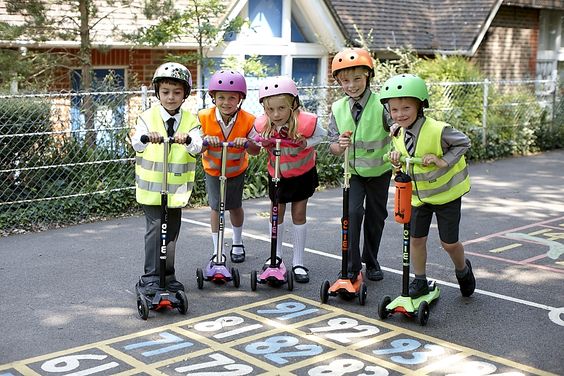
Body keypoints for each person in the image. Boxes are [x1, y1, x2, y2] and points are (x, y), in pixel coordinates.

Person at [381, 73, 475, 298]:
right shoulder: (396, 132)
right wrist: (396, 160)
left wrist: (442, 160)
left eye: (406, 108)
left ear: (420, 106)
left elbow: (464, 142)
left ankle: (463, 270)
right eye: (394, 109)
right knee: (416, 239)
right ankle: (420, 280)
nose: (399, 114)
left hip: (445, 196)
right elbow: (405, 162)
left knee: (449, 243)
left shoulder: (439, 130)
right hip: (418, 197)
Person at [130, 62, 203, 295]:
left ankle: (168, 275)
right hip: (151, 191)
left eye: (177, 92)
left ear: (185, 94)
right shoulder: (146, 117)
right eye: (166, 92)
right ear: (157, 92)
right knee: (155, 231)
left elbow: (198, 146)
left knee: (171, 232)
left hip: (175, 191)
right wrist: (146, 137)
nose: (171, 97)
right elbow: (136, 143)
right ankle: (151, 276)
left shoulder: (191, 120)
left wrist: (189, 140)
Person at [254, 75, 327, 283]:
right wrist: (264, 143)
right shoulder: (262, 124)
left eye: (281, 108)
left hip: (302, 174)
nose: (276, 114)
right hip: (277, 175)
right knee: (276, 213)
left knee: (298, 213)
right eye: (270, 109)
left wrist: (306, 143)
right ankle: (275, 257)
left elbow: (321, 136)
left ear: (293, 105)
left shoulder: (306, 122)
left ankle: (298, 262)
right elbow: (256, 141)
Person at [327, 48, 392, 282]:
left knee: (376, 218)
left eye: (357, 79)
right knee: (352, 215)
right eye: (345, 81)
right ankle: (352, 265)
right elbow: (332, 147)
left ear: (368, 76)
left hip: (380, 172)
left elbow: (397, 131)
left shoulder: (383, 104)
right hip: (352, 173)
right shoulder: (337, 108)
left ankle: (371, 261)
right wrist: (340, 145)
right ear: (339, 82)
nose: (351, 85)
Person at [198, 70, 261, 263]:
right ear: (213, 98)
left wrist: (247, 143)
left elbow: (255, 150)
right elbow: (195, 146)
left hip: (235, 171)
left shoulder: (249, 120)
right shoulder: (202, 117)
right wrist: (205, 141)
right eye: (221, 97)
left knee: (235, 206)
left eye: (232, 98)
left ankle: (237, 241)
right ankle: (217, 248)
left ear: (240, 99)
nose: (226, 102)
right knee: (216, 208)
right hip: (213, 171)